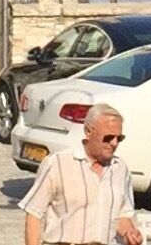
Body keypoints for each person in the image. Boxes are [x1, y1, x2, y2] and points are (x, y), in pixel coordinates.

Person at [20, 100, 143, 245]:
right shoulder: (58, 163)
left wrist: (129, 233)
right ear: (88, 132)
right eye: (108, 137)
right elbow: (33, 213)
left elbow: (122, 215)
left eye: (119, 138)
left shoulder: (120, 169)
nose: (114, 143)